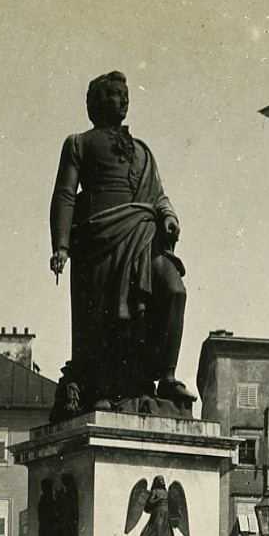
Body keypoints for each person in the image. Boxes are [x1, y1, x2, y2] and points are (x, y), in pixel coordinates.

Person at [50, 71, 197, 416]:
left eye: (126, 94)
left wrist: (169, 216)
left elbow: (158, 194)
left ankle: (167, 376)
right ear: (99, 101)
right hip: (100, 240)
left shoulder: (144, 150)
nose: (124, 99)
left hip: (145, 236)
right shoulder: (79, 143)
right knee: (109, 316)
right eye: (115, 94)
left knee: (174, 290)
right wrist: (60, 245)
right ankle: (105, 384)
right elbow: (65, 195)